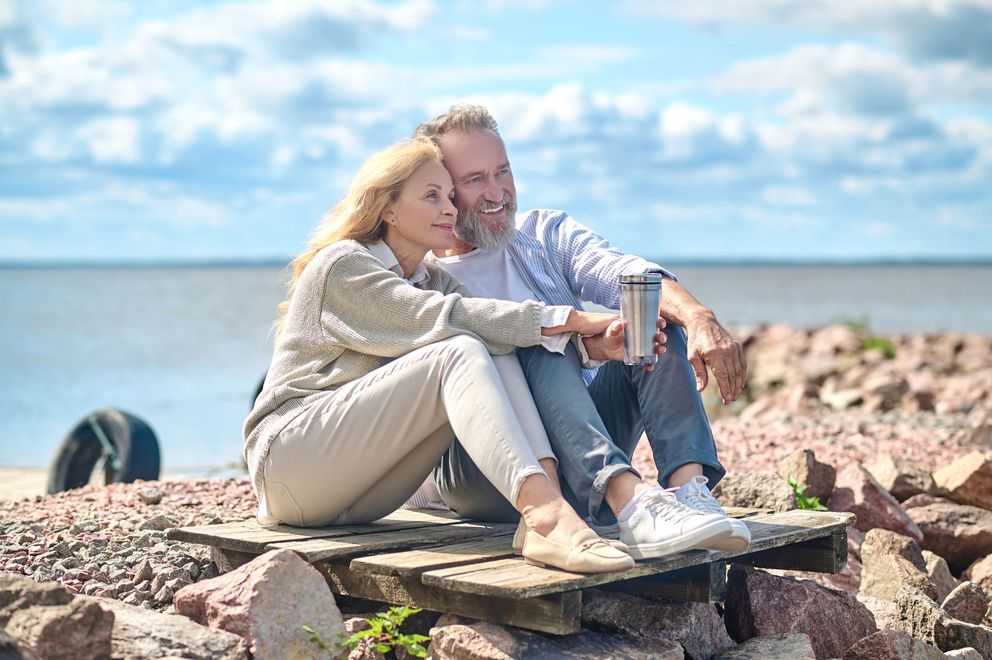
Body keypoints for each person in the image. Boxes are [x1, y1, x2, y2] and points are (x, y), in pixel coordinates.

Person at [243, 138, 637, 574]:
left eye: (450, 196)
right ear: (388, 208)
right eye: (432, 196)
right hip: (288, 466)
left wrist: (590, 347)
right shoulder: (343, 265)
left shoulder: (433, 279)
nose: (450, 209)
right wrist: (573, 320)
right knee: (463, 344)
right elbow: (442, 316)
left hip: (361, 496)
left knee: (489, 344)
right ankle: (546, 514)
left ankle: (546, 508)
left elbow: (487, 324)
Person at [410, 105, 751, 559]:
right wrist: (583, 344)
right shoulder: (419, 275)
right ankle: (628, 503)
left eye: (503, 172)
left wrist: (698, 316)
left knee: (650, 319)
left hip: (578, 445)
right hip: (484, 470)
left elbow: (624, 273)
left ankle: (690, 495)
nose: (498, 193)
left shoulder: (543, 234)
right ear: (443, 191)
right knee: (539, 336)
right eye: (475, 180)